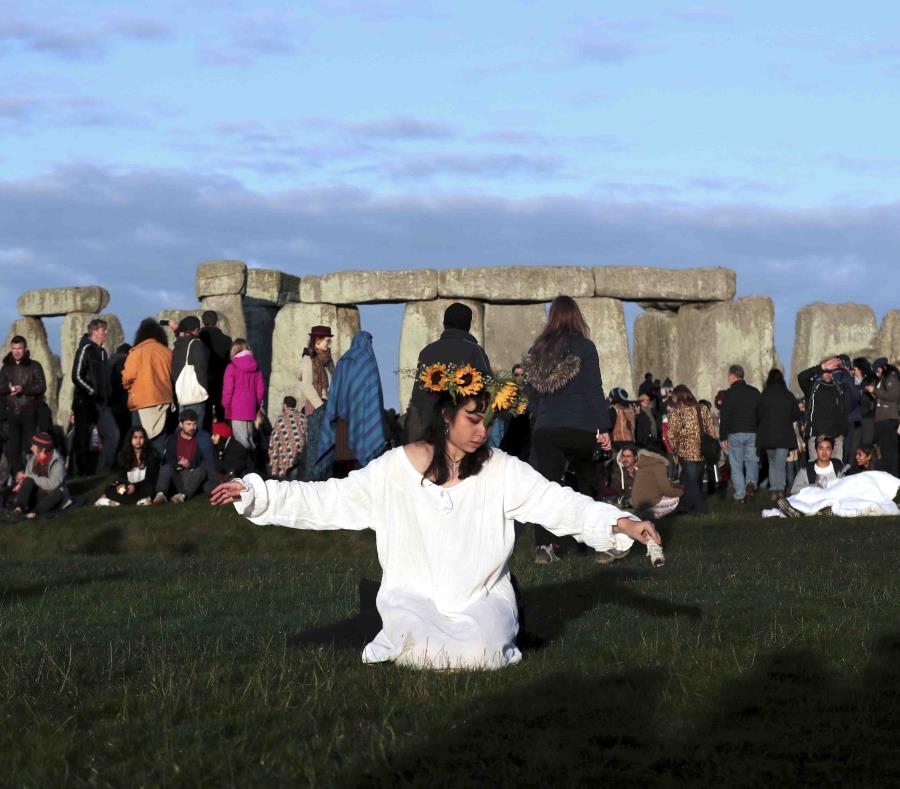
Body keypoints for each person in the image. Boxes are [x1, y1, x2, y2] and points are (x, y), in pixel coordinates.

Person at [210, 383, 662, 671]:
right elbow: (326, 498)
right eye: (472, 419)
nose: (483, 431)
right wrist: (257, 493)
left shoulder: (501, 469)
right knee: (413, 643)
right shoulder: (393, 470)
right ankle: (394, 616)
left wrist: (619, 521)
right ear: (445, 417)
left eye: (488, 420)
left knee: (481, 654)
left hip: (481, 594)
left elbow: (555, 502)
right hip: (416, 594)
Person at [522, 296, 612, 564]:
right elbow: (594, 390)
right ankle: (595, 543)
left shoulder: (537, 350)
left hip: (546, 428)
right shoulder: (585, 347)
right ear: (577, 317)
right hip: (580, 425)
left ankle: (544, 547)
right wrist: (603, 428)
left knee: (547, 488)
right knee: (586, 483)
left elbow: (529, 392)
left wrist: (543, 414)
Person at [404, 304, 492, 443]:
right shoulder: (475, 351)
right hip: (462, 429)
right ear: (469, 325)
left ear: (444, 323)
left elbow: (418, 395)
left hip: (431, 426)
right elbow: (488, 391)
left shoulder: (427, 351)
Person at [314, 331, 387, 479]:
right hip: (364, 422)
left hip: (343, 421)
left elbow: (334, 392)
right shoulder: (368, 362)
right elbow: (374, 396)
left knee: (342, 467)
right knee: (362, 471)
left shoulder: (343, 361)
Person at [71, 318, 119, 476]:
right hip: (85, 403)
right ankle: (80, 474)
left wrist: (107, 395)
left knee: (113, 434)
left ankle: (101, 471)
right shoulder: (85, 349)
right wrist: (93, 392)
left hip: (102, 404)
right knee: (82, 440)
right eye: (103, 330)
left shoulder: (104, 353)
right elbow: (76, 376)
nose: (106, 333)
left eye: (105, 330)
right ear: (94, 332)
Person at [122, 319, 174, 455]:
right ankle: (160, 472)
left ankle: (141, 472)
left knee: (138, 443)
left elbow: (127, 377)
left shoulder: (136, 352)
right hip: (164, 401)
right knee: (160, 441)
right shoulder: (167, 352)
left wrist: (128, 386)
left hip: (141, 402)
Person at [666, 385, 717, 515]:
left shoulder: (675, 414)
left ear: (678, 397)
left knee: (693, 483)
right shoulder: (702, 409)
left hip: (685, 452)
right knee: (690, 480)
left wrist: (675, 451)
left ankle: (701, 510)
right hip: (703, 450)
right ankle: (684, 507)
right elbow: (711, 431)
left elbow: (671, 436)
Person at [0, 336, 47, 477]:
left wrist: (24, 388)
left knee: (30, 446)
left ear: (25, 349)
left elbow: (41, 386)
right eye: (14, 348)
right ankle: (18, 476)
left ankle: (32, 475)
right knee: (12, 448)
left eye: (19, 348)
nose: (16, 351)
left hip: (29, 411)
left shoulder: (34, 366)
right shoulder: (6, 367)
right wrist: (8, 389)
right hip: (11, 413)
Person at [756, 368, 802, 502]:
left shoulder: (764, 395)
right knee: (781, 463)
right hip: (783, 434)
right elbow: (796, 414)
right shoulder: (787, 395)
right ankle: (780, 490)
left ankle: (774, 489)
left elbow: (757, 415)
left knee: (772, 462)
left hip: (767, 434)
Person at [153, 409, 215, 504]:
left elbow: (204, 460)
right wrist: (178, 464)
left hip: (194, 475)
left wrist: (189, 464)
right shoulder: (172, 439)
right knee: (166, 466)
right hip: (178, 474)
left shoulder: (201, 438)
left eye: (194, 424)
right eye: (188, 424)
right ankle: (161, 494)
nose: (192, 427)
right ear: (181, 424)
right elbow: (168, 458)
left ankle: (183, 495)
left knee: (203, 467)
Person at [607, 445, 681, 523]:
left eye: (628, 456)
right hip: (626, 503)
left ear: (635, 458)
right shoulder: (617, 471)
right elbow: (615, 491)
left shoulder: (642, 468)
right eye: (623, 456)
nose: (625, 459)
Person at [719, 364, 760, 503]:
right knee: (752, 460)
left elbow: (724, 416)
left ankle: (740, 495)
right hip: (753, 431)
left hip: (735, 432)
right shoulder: (754, 392)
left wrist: (723, 436)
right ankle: (751, 482)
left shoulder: (728, 394)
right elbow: (760, 413)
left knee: (736, 464)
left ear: (732, 376)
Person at [8, 432, 68, 519]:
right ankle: (18, 510)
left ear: (42, 448)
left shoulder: (58, 462)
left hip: (49, 496)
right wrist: (20, 480)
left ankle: (32, 514)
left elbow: (52, 485)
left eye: (34, 446)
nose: (31, 448)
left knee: (59, 493)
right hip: (36, 495)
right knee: (28, 481)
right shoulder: (32, 460)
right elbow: (28, 481)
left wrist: (31, 477)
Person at [94, 426, 160, 506]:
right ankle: (138, 502)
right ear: (130, 439)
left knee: (150, 489)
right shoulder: (123, 456)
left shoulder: (151, 455)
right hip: (127, 488)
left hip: (141, 488)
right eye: (135, 437)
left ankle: (112, 502)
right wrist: (124, 485)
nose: (138, 441)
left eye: (141, 437)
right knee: (110, 489)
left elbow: (151, 479)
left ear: (145, 439)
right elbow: (121, 477)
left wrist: (134, 486)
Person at [798, 357, 847, 461]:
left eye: (831, 371)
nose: (828, 374)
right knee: (816, 471)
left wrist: (842, 434)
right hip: (816, 436)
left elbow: (844, 411)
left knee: (837, 473)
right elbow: (801, 377)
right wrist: (821, 367)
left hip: (835, 438)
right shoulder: (813, 386)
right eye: (826, 371)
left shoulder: (839, 387)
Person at [222, 339, 265, 451]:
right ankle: (254, 463)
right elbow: (260, 390)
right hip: (250, 407)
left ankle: (248, 466)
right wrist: (256, 405)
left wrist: (225, 405)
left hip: (236, 408)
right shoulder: (256, 367)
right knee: (249, 437)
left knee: (241, 441)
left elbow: (228, 390)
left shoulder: (231, 367)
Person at [171, 316, 210, 427]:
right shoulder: (196, 343)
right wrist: (204, 389)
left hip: (182, 395)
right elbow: (201, 369)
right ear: (196, 329)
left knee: (184, 431)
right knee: (195, 430)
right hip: (195, 396)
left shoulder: (178, 345)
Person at [199, 310, 232, 430]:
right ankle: (223, 441)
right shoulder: (227, 340)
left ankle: (207, 441)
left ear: (202, 323)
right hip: (221, 381)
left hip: (203, 381)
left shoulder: (198, 340)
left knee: (205, 416)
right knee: (221, 414)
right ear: (217, 322)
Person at [871, 357, 900, 476]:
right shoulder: (883, 379)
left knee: (890, 450)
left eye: (878, 370)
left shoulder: (891, 378)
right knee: (884, 449)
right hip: (882, 419)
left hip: (888, 419)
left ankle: (893, 474)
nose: (877, 373)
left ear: (883, 368)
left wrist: (875, 390)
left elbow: (892, 395)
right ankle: (889, 473)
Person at [268, 396, 308, 480]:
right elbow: (308, 437)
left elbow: (274, 445)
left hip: (288, 462)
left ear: (285, 405)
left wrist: (274, 471)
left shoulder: (280, 420)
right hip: (303, 458)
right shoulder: (303, 418)